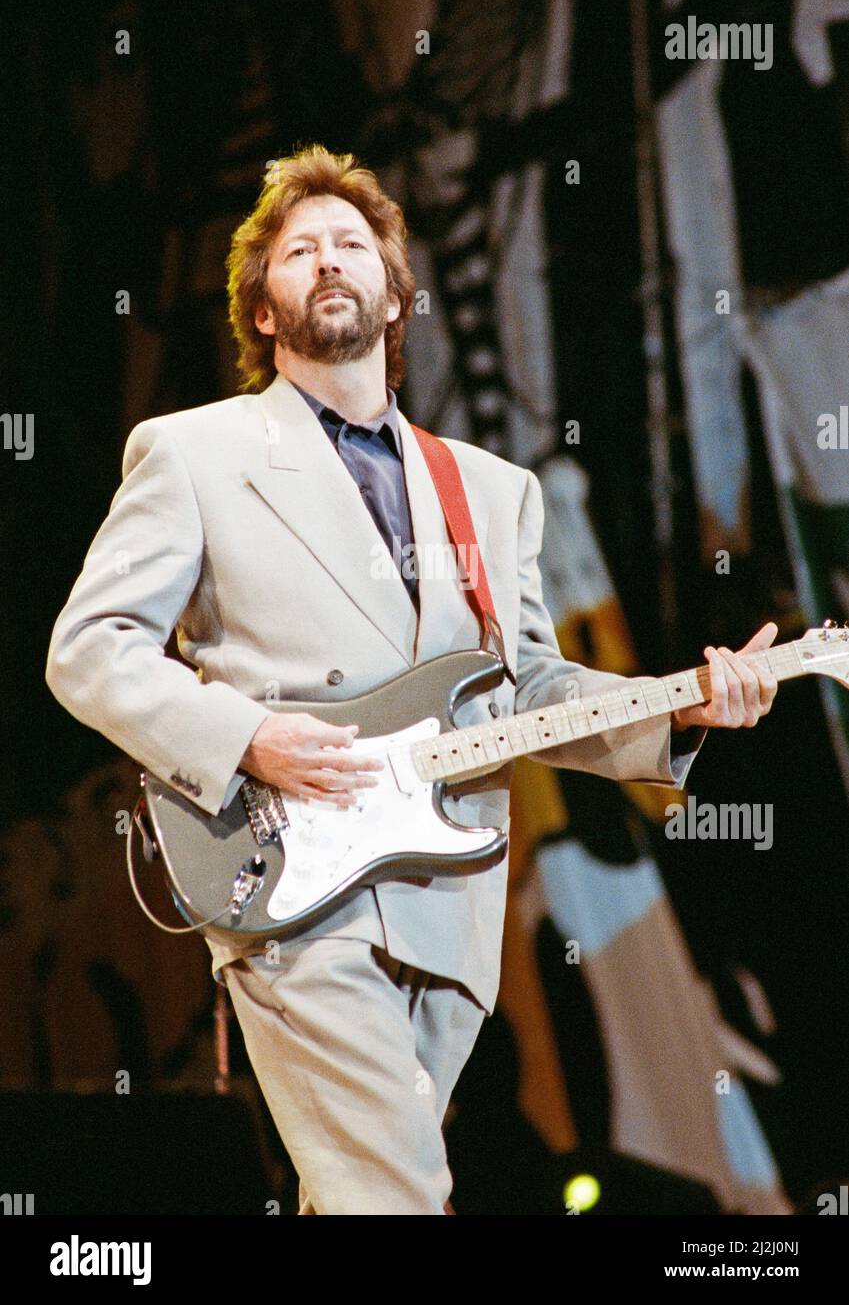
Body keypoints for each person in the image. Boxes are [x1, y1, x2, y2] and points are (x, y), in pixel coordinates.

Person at [45, 144, 778, 1214]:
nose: (330, 262)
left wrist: (684, 707)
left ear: (398, 296)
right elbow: (90, 645)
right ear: (262, 308)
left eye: (352, 245)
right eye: (301, 252)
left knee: (354, 1192)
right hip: (290, 884)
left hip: (446, 902)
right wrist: (246, 733)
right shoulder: (194, 453)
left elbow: (525, 694)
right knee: (395, 1190)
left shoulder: (489, 489)